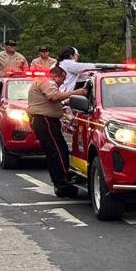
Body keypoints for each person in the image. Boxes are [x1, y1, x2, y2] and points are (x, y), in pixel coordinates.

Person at [27, 64, 80, 196]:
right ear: (57, 76)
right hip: (45, 121)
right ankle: (63, 182)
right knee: (58, 151)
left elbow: (51, 101)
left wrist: (65, 103)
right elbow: (54, 97)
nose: (62, 83)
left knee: (54, 151)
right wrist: (77, 93)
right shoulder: (48, 82)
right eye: (63, 80)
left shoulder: (42, 82)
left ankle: (59, 182)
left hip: (43, 121)